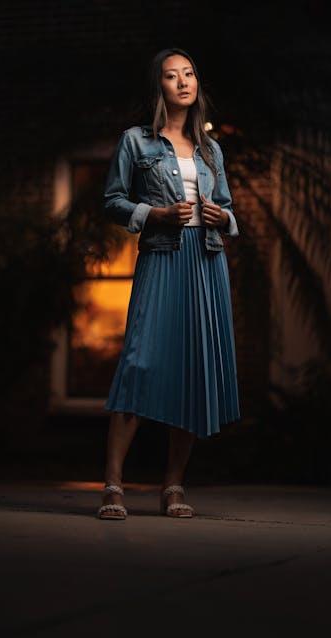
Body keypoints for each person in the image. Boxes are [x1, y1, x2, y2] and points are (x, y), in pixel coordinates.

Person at [97, 47, 241, 520]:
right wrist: (154, 214)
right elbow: (113, 201)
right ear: (157, 86)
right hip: (162, 258)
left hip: (206, 262)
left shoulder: (210, 149)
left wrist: (225, 218)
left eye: (190, 73)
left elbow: (225, 206)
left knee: (195, 370)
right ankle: (113, 484)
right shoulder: (136, 142)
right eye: (171, 75)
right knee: (139, 364)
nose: (183, 81)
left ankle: (174, 485)